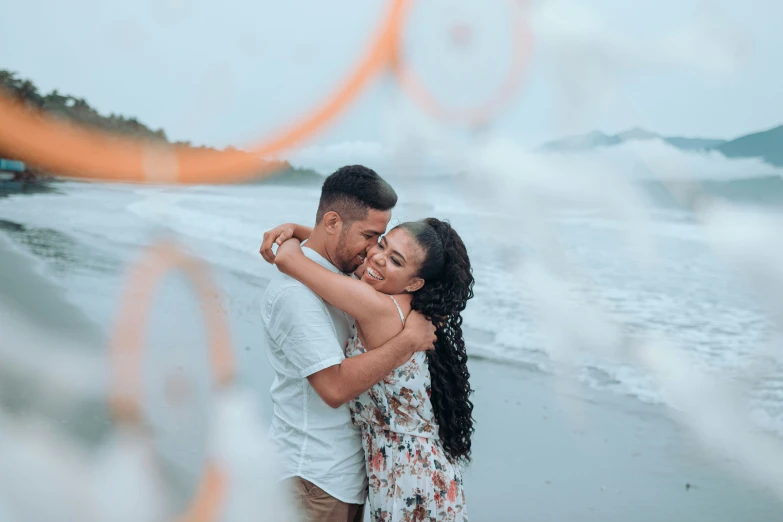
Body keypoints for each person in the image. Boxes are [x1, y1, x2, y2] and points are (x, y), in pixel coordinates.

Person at [259, 165, 438, 522]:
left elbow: (330, 252)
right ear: (332, 223)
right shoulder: (296, 294)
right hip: (313, 478)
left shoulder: (342, 273)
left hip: (344, 480)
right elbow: (334, 386)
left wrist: (295, 231)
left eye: (381, 238)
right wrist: (407, 343)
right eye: (370, 236)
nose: (374, 251)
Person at [269, 216, 475, 522]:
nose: (377, 257)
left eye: (395, 260)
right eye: (382, 243)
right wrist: (300, 230)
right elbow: (348, 256)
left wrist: (290, 235)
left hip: (406, 478)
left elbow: (288, 260)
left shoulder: (377, 307)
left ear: (414, 283)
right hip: (424, 470)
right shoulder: (405, 306)